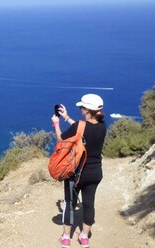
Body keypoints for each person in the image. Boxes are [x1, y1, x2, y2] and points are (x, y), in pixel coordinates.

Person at [51, 94, 106, 248]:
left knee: (70, 204)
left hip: (77, 174)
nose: (80, 109)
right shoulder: (102, 126)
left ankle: (66, 238)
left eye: (82, 107)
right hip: (95, 173)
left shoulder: (79, 126)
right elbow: (83, 129)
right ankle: (84, 237)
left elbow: (61, 139)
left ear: (87, 110)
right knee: (89, 204)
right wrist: (67, 117)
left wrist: (56, 123)